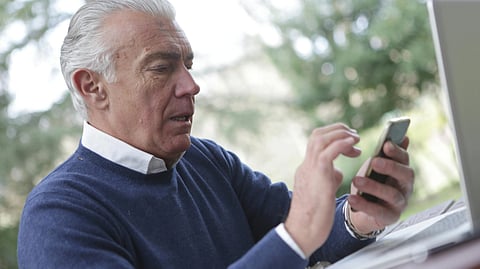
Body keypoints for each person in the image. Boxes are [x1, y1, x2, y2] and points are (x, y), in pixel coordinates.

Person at [17, 0, 414, 268]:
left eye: (188, 65)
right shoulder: (58, 215)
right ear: (92, 87)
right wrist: (296, 236)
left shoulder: (206, 159)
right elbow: (295, 237)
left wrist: (358, 216)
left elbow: (306, 233)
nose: (191, 86)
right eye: (161, 68)